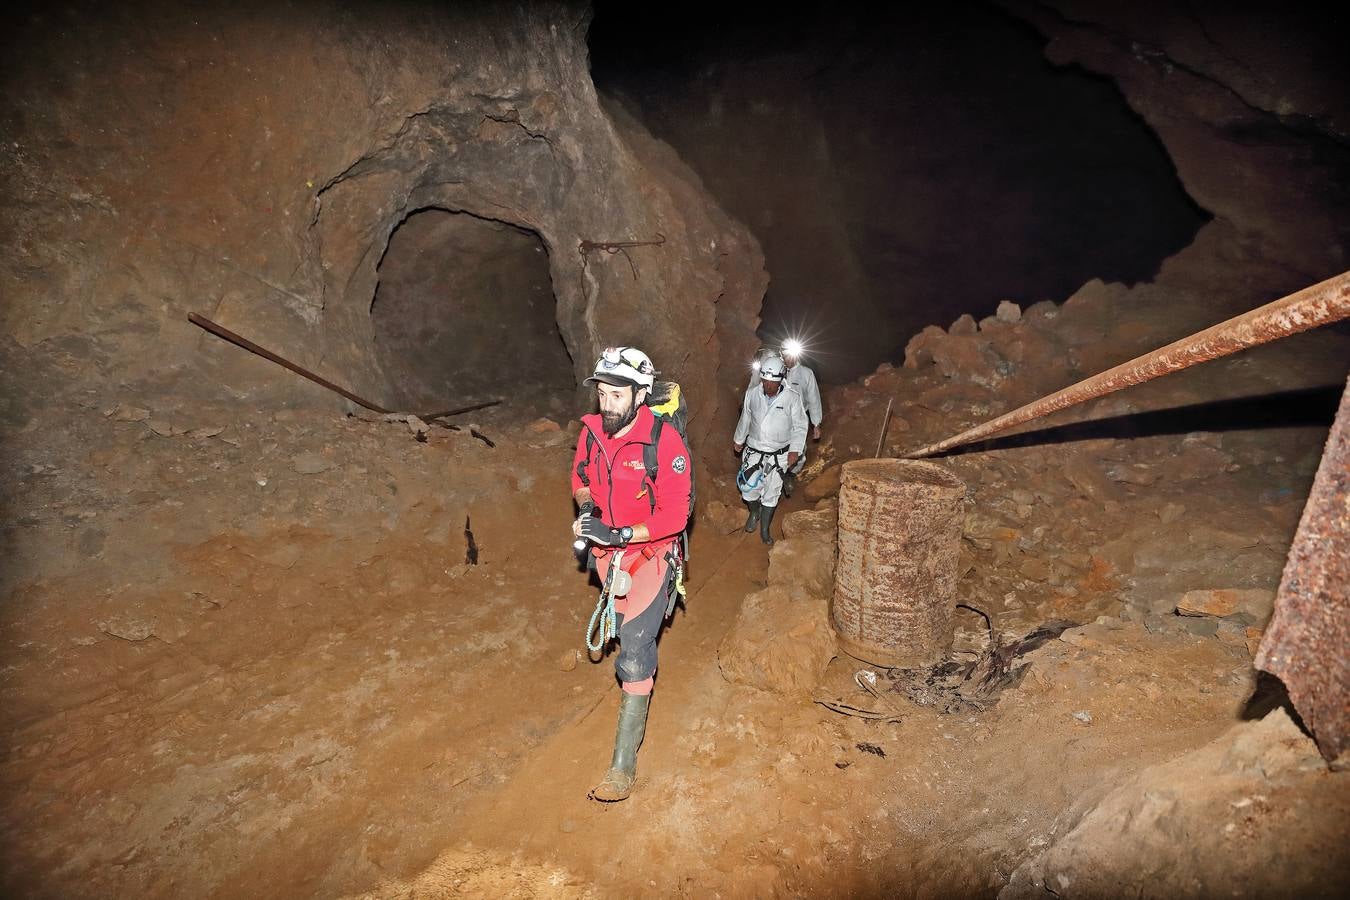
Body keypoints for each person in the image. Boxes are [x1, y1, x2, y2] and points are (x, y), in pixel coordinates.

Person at [570, 346, 692, 802]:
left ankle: (622, 767)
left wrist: (619, 533)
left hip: (650, 556)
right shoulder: (592, 434)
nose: (608, 404)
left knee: (635, 652)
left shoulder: (664, 443)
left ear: (641, 395)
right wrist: (587, 509)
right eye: (602, 393)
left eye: (618, 395)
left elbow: (675, 515)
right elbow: (580, 473)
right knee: (622, 631)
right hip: (608, 559)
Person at [733, 355, 807, 545]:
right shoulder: (752, 394)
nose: (768, 386)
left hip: (778, 454)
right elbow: (746, 419)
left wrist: (795, 450)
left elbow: (799, 425)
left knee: (771, 493)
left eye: (772, 383)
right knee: (748, 488)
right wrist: (738, 439)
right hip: (754, 451)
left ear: (781, 379)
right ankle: (754, 512)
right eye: (765, 382)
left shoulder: (792, 397)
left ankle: (765, 530)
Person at [746, 341, 823, 497]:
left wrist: (816, 423)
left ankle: (789, 475)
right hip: (776, 419)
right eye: (785, 353)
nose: (788, 358)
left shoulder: (806, 374)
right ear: (781, 353)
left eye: (792, 354)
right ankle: (766, 483)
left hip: (796, 420)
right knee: (772, 451)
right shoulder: (774, 370)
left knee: (799, 452)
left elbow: (813, 398)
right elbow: (756, 388)